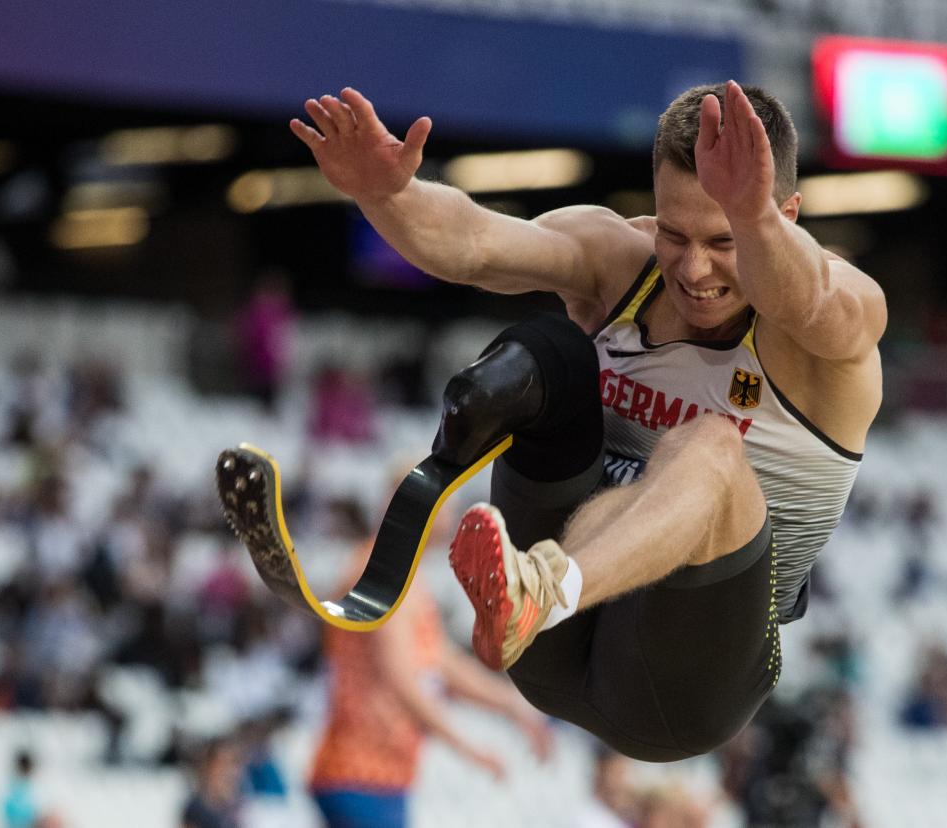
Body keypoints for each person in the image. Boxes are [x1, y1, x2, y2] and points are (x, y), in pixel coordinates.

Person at [291, 79, 885, 761]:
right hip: (546, 647)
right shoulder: (622, 263)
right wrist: (384, 193)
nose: (694, 270)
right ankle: (482, 535)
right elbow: (477, 242)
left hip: (679, 692)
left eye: (724, 239)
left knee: (713, 445)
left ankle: (544, 586)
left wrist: (757, 227)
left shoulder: (834, 320)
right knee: (551, 352)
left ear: (787, 213)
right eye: (674, 233)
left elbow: (813, 302)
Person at [308, 510, 554, 827]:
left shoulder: (405, 575)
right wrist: (469, 748)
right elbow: (402, 679)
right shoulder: (382, 572)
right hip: (360, 772)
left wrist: (512, 706)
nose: (457, 516)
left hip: (381, 774)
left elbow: (438, 659)